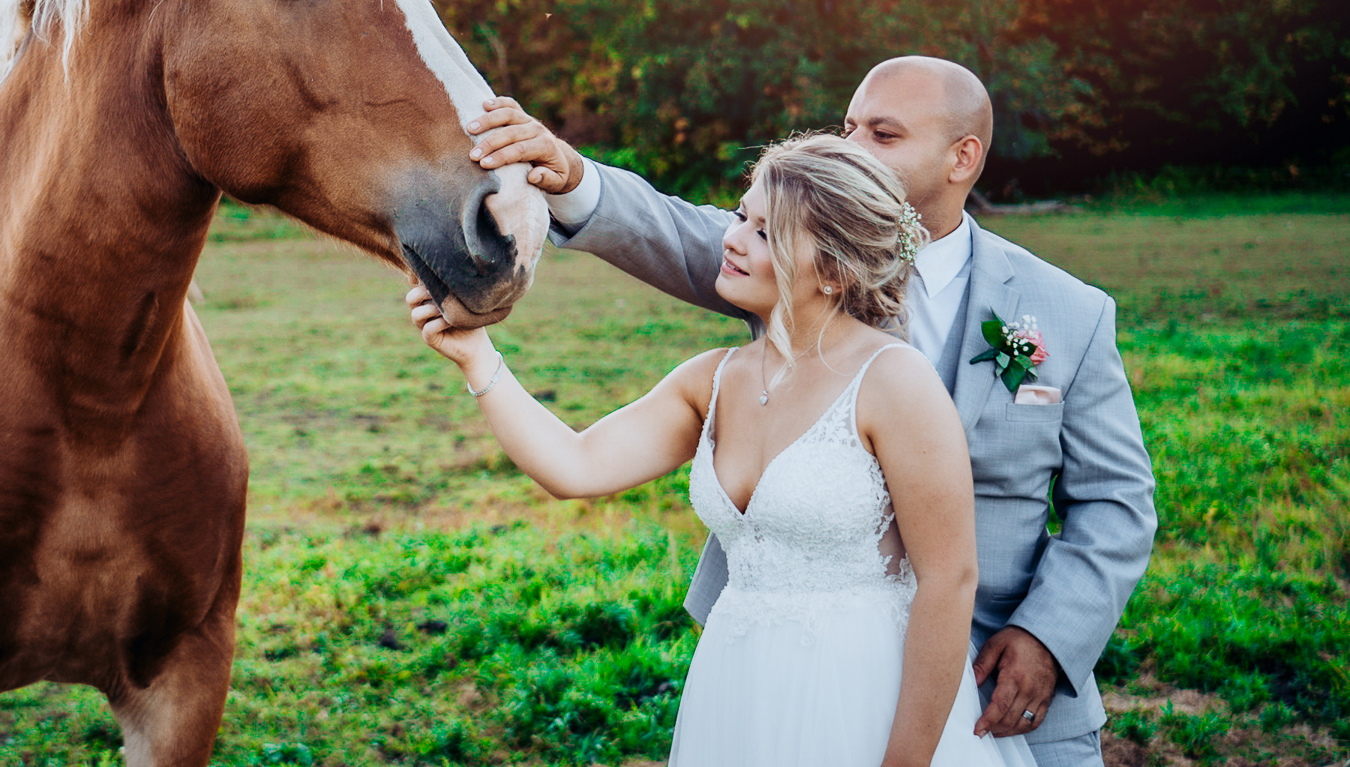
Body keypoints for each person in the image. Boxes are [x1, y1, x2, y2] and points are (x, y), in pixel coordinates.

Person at [457, 56, 1156, 767]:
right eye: (848, 127)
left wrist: (1048, 635)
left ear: (962, 158)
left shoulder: (1068, 312)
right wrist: (572, 178)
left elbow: (1116, 499)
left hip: (1008, 680)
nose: (852, 147)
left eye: (883, 134)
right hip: (771, 676)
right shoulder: (772, 256)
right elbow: (673, 234)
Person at [412, 133, 1034, 766]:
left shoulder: (894, 381)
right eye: (741, 217)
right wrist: (477, 357)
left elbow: (948, 580)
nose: (733, 239)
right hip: (738, 689)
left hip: (860, 695)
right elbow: (575, 465)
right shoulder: (712, 379)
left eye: (765, 233)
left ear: (834, 269)